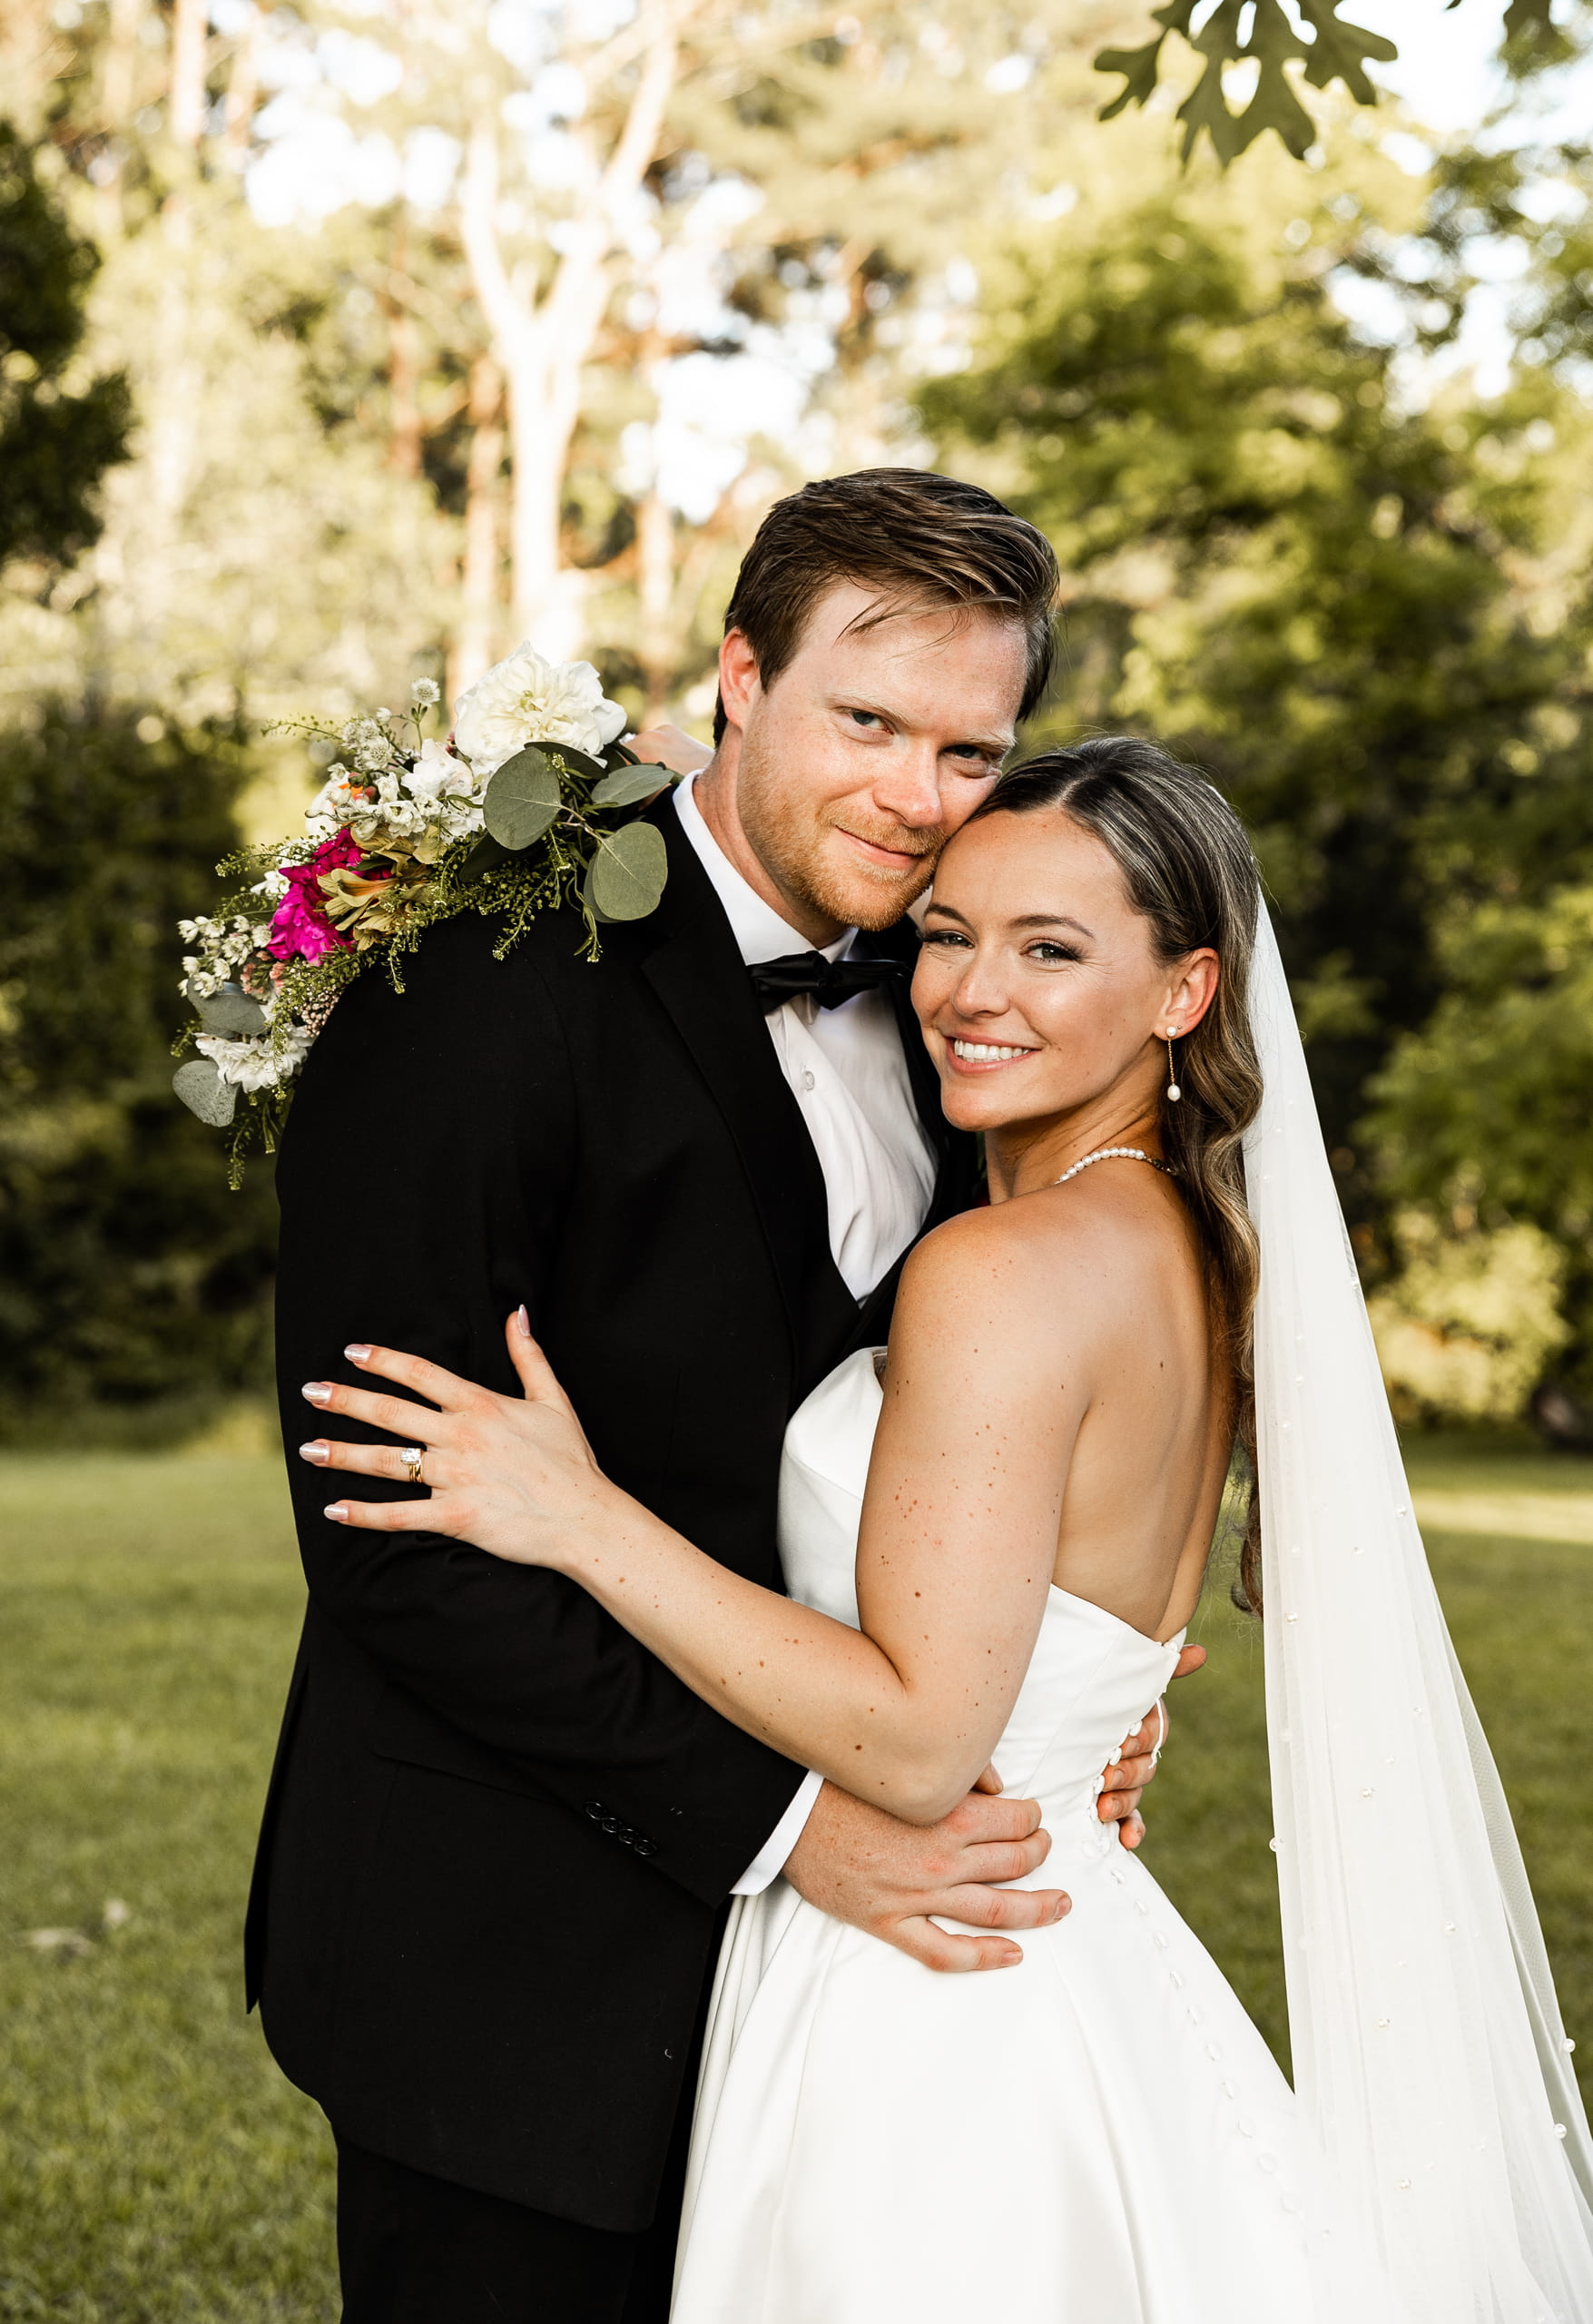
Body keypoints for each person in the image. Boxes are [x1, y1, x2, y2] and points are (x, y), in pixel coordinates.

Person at [308, 739, 1593, 2322]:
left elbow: (920, 1746)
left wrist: (579, 1518)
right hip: (1066, 1935)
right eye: (949, 931)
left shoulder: (999, 1273)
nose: (969, 991)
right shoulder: (1178, 1242)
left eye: (1052, 950)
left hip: (933, 1981)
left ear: (1187, 992)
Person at [249, 471, 1186, 2324]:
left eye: (964, 749)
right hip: (507, 1958)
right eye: (867, 722)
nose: (917, 797)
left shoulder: (961, 1013)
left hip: (860, 2011)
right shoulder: (479, 993)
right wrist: (791, 1824)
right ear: (737, 677)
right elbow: (396, 1541)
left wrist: (1073, 1679)